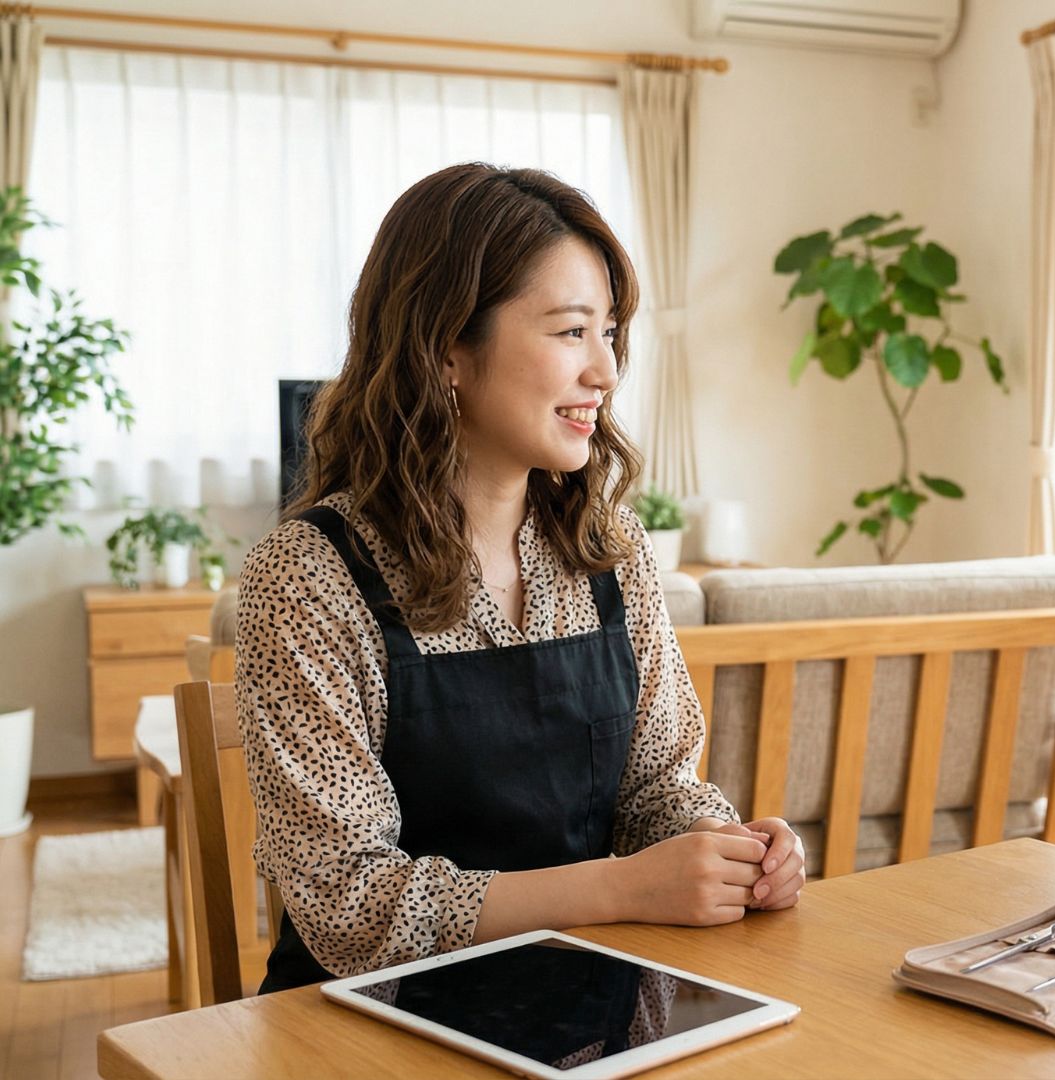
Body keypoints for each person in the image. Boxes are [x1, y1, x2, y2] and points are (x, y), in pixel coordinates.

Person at [237, 163, 803, 993]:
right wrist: (617, 887)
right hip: (363, 1023)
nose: (606, 373)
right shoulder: (307, 576)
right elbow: (348, 905)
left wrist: (729, 850)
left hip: (584, 993)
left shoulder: (612, 552)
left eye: (610, 332)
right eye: (572, 332)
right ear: (445, 351)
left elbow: (657, 789)